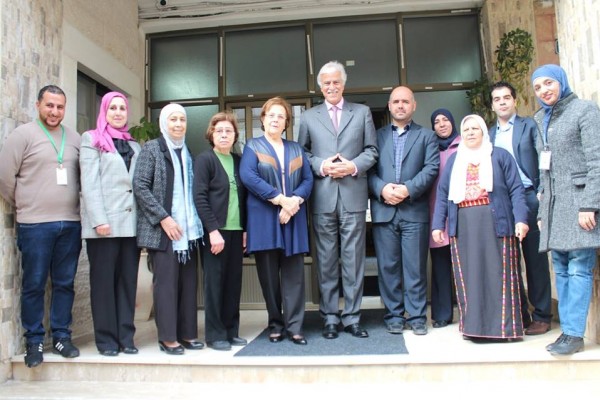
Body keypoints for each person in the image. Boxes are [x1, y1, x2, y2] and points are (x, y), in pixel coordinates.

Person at [0, 85, 81, 368]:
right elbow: (5, 178)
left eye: (60, 106)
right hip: (34, 225)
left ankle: (61, 336)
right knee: (34, 283)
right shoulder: (22, 135)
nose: (54, 111)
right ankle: (33, 341)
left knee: (64, 283)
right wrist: (25, 202)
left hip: (70, 223)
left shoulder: (75, 138)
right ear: (38, 105)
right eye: (49, 105)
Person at [298, 61, 377, 339]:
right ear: (320, 87)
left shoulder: (362, 112)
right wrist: (322, 166)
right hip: (322, 197)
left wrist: (352, 166)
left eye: (336, 82)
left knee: (354, 260)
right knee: (326, 260)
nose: (331, 87)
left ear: (343, 84)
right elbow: (302, 153)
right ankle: (330, 317)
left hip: (353, 195)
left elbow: (372, 150)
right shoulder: (308, 117)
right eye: (327, 83)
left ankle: (352, 317)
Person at [431, 114, 529, 341]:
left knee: (498, 275)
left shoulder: (500, 156)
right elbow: (443, 193)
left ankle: (504, 330)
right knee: (470, 277)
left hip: (497, 224)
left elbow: (516, 190)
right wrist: (438, 225)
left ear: (484, 131)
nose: (471, 133)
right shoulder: (455, 160)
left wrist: (521, 220)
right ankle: (473, 328)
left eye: (475, 128)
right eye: (466, 130)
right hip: (464, 226)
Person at [531, 64, 600, 355]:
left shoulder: (585, 110)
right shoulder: (540, 118)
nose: (544, 90)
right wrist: (540, 211)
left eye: (549, 83)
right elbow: (543, 169)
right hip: (553, 204)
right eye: (538, 87)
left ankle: (574, 334)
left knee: (579, 267)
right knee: (560, 267)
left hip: (579, 202)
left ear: (561, 81)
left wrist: (590, 204)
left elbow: (597, 160)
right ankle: (567, 331)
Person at [240, 97, 313, 345]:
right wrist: (281, 200)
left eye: (280, 116)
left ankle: (295, 326)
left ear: (286, 122)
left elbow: (308, 180)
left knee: (294, 276)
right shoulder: (253, 146)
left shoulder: (296, 148)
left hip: (293, 217)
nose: (275, 119)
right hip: (264, 218)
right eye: (271, 115)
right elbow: (248, 176)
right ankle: (275, 323)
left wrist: (293, 203)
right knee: (269, 277)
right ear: (263, 119)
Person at [133, 104, 204, 355]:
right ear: (164, 122)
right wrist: (164, 218)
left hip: (187, 231)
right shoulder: (152, 149)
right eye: (173, 119)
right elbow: (140, 186)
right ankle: (168, 338)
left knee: (188, 284)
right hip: (163, 231)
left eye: (182, 120)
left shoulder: (187, 151)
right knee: (166, 286)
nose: (178, 124)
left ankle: (187, 334)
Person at [368, 86, 439, 336]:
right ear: (389, 106)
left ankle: (417, 316)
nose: (400, 105)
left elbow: (431, 168)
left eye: (405, 101)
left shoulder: (427, 136)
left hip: (414, 210)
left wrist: (408, 189)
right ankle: (394, 315)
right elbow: (368, 171)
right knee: (388, 267)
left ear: (413, 106)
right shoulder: (376, 136)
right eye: (396, 101)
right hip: (384, 210)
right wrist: (382, 189)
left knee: (415, 267)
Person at [80, 92, 141, 356]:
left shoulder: (134, 146)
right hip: (104, 226)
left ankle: (126, 337)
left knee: (127, 283)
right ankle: (106, 340)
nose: (117, 112)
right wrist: (99, 220)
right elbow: (89, 183)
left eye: (122, 108)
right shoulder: (91, 139)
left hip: (131, 226)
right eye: (112, 108)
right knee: (103, 284)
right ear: (104, 111)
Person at [489, 81, 552, 336]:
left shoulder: (530, 126)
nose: (502, 102)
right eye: (497, 99)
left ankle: (542, 315)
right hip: (501, 202)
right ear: (492, 106)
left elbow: (544, 158)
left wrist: (542, 190)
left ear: (514, 101)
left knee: (535, 260)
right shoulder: (488, 135)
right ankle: (520, 313)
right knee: (508, 261)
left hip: (528, 197)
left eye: (506, 97)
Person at [193, 111, 247, 351]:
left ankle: (231, 331)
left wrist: (245, 229)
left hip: (236, 230)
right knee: (214, 284)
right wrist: (212, 230)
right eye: (219, 131)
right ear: (211, 134)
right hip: (216, 233)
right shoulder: (205, 160)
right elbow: (200, 197)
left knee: (233, 283)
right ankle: (215, 335)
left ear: (235, 135)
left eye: (229, 131)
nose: (224, 135)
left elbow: (244, 198)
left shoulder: (238, 160)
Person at [427, 108, 461, 329]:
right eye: (437, 122)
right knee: (440, 265)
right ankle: (442, 314)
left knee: (464, 265)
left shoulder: (464, 145)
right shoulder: (430, 148)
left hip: (461, 213)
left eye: (445, 120)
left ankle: (469, 312)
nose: (441, 124)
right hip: (436, 213)